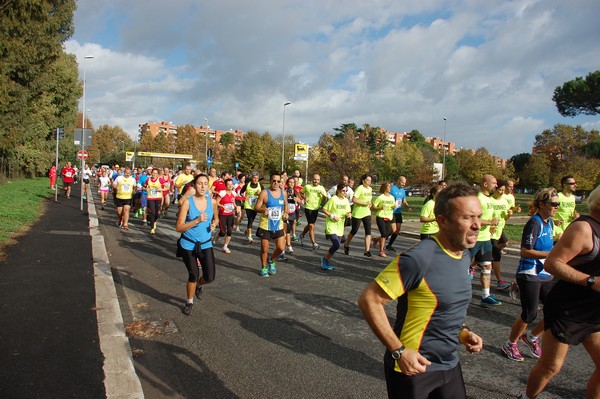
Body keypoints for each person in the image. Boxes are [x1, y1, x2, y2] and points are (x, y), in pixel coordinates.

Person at [358, 182, 484, 399]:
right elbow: (369, 299)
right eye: (467, 218)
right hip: (414, 369)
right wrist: (398, 351)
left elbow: (445, 307)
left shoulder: (464, 255)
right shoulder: (418, 258)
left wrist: (463, 332)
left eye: (478, 216)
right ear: (442, 221)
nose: (477, 225)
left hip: (450, 365)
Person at [519, 185, 600, 399]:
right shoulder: (584, 228)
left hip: (595, 311)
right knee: (551, 367)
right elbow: (553, 263)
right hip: (569, 309)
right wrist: (591, 281)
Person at [502, 187, 558, 362]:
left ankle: (532, 337)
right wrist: (550, 254)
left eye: (558, 204)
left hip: (545, 273)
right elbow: (525, 251)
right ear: (541, 204)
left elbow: (549, 244)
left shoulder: (550, 222)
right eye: (553, 204)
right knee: (530, 313)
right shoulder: (534, 223)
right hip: (529, 273)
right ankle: (510, 344)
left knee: (555, 309)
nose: (557, 207)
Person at [175, 174, 219, 316]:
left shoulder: (212, 202)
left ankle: (200, 285)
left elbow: (216, 218)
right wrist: (196, 221)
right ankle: (189, 301)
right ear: (194, 185)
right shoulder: (188, 202)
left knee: (210, 276)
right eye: (199, 183)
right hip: (188, 244)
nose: (202, 186)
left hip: (205, 244)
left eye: (205, 184)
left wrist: (214, 224)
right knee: (193, 274)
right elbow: (179, 227)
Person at [470, 174, 501, 306]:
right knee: (464, 267)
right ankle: (457, 293)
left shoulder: (489, 199)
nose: (496, 185)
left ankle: (485, 295)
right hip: (473, 238)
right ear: (485, 184)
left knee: (487, 266)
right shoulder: (478, 199)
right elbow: (473, 218)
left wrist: (492, 226)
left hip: (486, 238)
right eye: (494, 183)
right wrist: (489, 222)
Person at [254, 172, 288, 277]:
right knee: (265, 249)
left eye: (278, 181)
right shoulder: (264, 193)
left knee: (281, 248)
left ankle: (272, 260)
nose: (276, 183)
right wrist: (263, 209)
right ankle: (264, 268)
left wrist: (286, 213)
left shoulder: (283, 193)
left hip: (278, 225)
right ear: (270, 181)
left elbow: (286, 205)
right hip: (266, 226)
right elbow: (256, 207)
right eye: (274, 181)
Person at [320, 182, 352, 271]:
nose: (345, 193)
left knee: (336, 246)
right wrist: (332, 216)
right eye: (343, 191)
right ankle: (325, 259)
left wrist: (348, 214)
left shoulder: (346, 201)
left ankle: (325, 259)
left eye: (346, 191)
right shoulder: (333, 199)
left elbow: (348, 211)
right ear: (338, 190)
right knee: (336, 244)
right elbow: (324, 209)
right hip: (331, 225)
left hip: (340, 226)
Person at [343, 174, 374, 258]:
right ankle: (346, 244)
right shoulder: (359, 188)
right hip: (358, 213)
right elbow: (354, 199)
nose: (369, 182)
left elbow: (369, 200)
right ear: (363, 180)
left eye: (370, 181)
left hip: (367, 212)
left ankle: (367, 251)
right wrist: (364, 203)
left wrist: (370, 203)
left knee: (368, 232)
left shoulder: (370, 189)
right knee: (354, 230)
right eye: (367, 180)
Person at [490, 180, 512, 291]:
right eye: (500, 190)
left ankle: (474, 265)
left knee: (504, 243)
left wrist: (510, 214)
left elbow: (505, 218)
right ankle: (499, 281)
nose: (502, 192)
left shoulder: (504, 201)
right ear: (495, 189)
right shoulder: (489, 200)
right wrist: (489, 224)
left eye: (504, 190)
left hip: (500, 229)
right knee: (497, 256)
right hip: (490, 232)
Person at [299, 174, 328, 250]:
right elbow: (301, 192)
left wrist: (323, 195)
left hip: (316, 208)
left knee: (310, 225)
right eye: (315, 179)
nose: (316, 181)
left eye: (318, 180)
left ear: (319, 180)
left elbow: (325, 200)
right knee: (311, 225)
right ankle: (314, 243)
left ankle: (301, 235)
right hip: (308, 208)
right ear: (312, 179)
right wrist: (304, 197)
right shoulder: (308, 186)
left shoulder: (321, 188)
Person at [386, 176, 412, 252]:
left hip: (398, 212)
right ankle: (382, 238)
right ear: (398, 181)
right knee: (393, 229)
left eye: (404, 183)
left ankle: (389, 245)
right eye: (402, 182)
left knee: (397, 230)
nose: (403, 184)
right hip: (391, 212)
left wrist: (408, 207)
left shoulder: (403, 191)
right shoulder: (392, 189)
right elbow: (386, 196)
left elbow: (403, 200)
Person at [372, 182, 396, 257]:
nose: (390, 188)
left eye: (390, 187)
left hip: (389, 217)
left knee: (387, 234)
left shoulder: (392, 197)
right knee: (383, 234)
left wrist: (394, 206)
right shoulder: (380, 197)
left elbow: (393, 205)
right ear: (385, 188)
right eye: (388, 187)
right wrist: (380, 207)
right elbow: (373, 207)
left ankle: (376, 240)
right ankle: (381, 251)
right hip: (381, 217)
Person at [553, 175, 580, 241]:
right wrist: (553, 221)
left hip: (568, 229)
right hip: (557, 230)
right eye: (572, 184)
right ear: (565, 185)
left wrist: (575, 216)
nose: (575, 185)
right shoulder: (557, 197)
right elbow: (546, 212)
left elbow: (572, 213)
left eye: (575, 183)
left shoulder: (572, 198)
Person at [215, 179, 238, 254]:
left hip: (230, 214)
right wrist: (222, 206)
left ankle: (225, 246)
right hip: (222, 214)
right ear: (225, 185)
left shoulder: (234, 193)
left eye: (231, 184)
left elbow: (233, 202)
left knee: (230, 231)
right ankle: (218, 235)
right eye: (228, 184)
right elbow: (216, 202)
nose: (230, 186)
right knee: (223, 232)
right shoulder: (222, 193)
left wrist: (236, 207)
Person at [240, 172, 262, 244]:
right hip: (248, 205)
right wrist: (244, 197)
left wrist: (260, 194)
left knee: (252, 220)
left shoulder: (260, 185)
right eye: (254, 178)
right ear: (251, 178)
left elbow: (264, 194)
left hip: (256, 205)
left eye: (257, 178)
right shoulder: (247, 185)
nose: (255, 180)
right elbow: (241, 192)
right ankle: (250, 237)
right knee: (250, 219)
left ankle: (247, 231)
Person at [145, 168, 164, 235]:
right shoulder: (148, 180)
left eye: (156, 173)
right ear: (151, 173)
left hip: (158, 198)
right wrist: (146, 189)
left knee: (157, 213)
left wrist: (161, 189)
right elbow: (144, 186)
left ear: (158, 174)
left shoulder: (160, 180)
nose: (154, 174)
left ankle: (154, 221)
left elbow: (167, 187)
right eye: (153, 173)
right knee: (152, 212)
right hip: (150, 198)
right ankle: (152, 228)